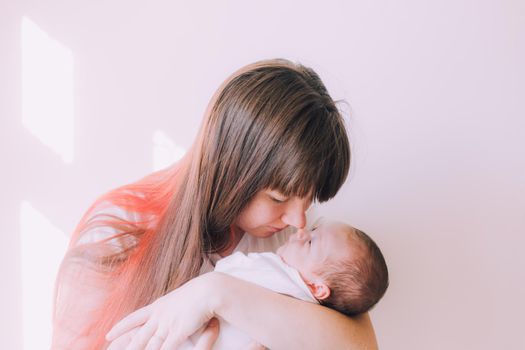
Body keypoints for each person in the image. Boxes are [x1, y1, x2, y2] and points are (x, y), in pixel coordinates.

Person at [52, 59, 379, 349]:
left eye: (308, 201)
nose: (299, 221)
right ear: (230, 167)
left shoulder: (290, 241)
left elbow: (361, 345)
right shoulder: (115, 229)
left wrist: (215, 293)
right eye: (279, 198)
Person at [173, 220, 389, 350]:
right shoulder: (316, 318)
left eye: (311, 242)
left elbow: (229, 269)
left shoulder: (276, 271)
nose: (301, 229)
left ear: (316, 287)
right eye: (314, 229)